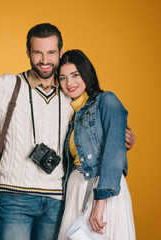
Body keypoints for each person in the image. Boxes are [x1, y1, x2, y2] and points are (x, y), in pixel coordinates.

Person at [0, 23, 135, 240]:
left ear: (60, 53)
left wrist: (122, 137)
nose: (45, 59)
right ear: (28, 52)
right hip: (15, 198)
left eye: (51, 52)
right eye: (38, 52)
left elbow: (98, 133)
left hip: (58, 200)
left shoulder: (70, 94)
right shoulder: (8, 85)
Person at [56, 50, 136, 240]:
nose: (69, 83)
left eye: (75, 75)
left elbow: (114, 155)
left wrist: (99, 205)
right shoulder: (69, 112)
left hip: (102, 188)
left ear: (86, 73)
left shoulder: (106, 100)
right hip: (76, 187)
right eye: (62, 78)